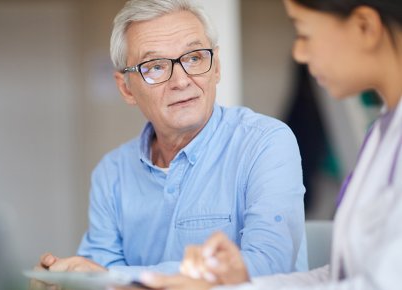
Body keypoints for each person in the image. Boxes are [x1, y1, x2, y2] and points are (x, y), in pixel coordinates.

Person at [136, 0, 402, 289]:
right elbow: (342, 276)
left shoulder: (265, 141)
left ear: (364, 27)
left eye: (304, 34)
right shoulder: (382, 133)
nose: (299, 53)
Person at [36, 0, 307, 279]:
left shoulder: (265, 143)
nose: (181, 81)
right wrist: (66, 278)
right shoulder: (112, 172)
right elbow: (97, 278)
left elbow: (269, 265)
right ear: (126, 88)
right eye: (155, 66)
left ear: (216, 67)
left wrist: (116, 276)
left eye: (194, 58)